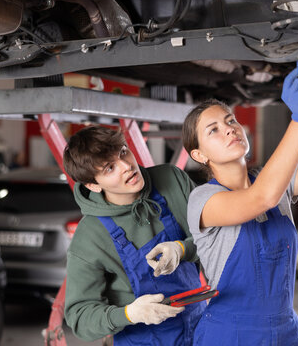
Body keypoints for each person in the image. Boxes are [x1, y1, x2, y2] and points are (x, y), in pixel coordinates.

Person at [181, 67, 298, 345]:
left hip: (287, 331)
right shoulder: (203, 200)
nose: (229, 130)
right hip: (230, 335)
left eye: (231, 121)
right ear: (199, 155)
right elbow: (261, 198)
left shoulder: (274, 180)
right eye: (214, 130)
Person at [62, 125, 204, 345]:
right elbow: (80, 317)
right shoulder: (90, 236)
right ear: (93, 185)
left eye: (123, 152)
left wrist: (184, 249)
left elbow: (217, 237)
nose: (127, 166)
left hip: (202, 330)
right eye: (110, 168)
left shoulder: (171, 180)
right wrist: (129, 314)